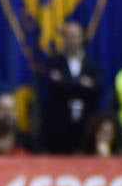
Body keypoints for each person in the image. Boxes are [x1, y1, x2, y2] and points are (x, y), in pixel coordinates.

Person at [38, 19, 102, 154]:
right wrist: (81, 84)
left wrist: (65, 82)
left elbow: (96, 90)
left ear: (81, 38)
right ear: (63, 38)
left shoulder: (92, 64)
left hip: (86, 123)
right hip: (59, 126)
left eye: (75, 36)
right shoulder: (53, 62)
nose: (72, 40)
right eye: (68, 36)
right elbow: (53, 88)